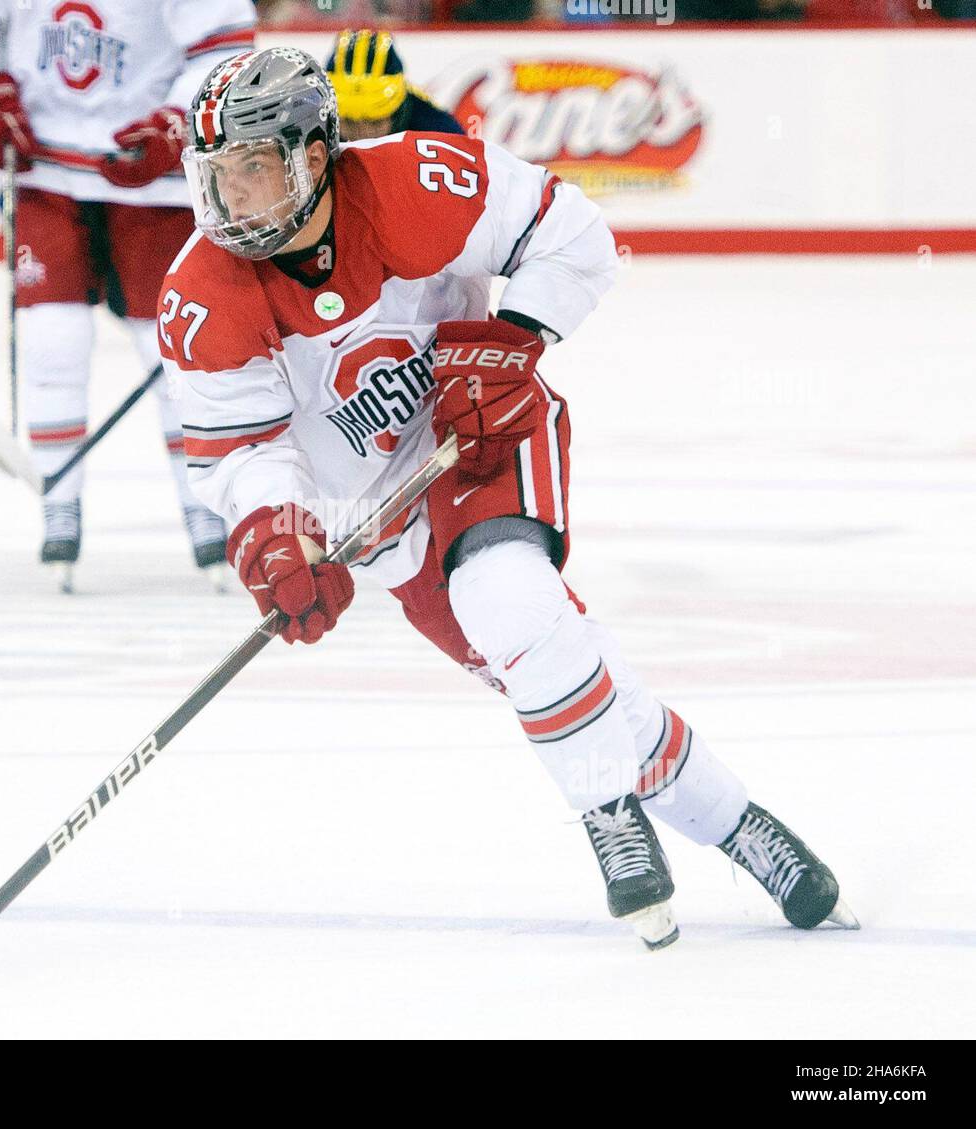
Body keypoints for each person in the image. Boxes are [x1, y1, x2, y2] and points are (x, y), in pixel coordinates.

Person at [158, 47, 856, 947]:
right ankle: (745, 826)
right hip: (382, 525)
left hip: (483, 433)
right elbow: (242, 453)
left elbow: (574, 235)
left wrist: (513, 338)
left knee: (509, 600)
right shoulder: (200, 296)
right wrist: (277, 537)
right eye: (217, 174)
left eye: (255, 167)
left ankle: (606, 813)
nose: (233, 197)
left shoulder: (416, 181)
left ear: (315, 153)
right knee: (555, 671)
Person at [0, 0, 257, 587]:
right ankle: (58, 507)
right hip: (46, 168)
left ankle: (206, 512)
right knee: (51, 339)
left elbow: (226, 45)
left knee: (170, 347)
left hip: (149, 180)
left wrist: (174, 121)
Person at [324, 28, 463, 143]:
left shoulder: (439, 131)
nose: (363, 135)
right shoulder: (311, 124)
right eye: (350, 122)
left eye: (374, 122)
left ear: (398, 112)